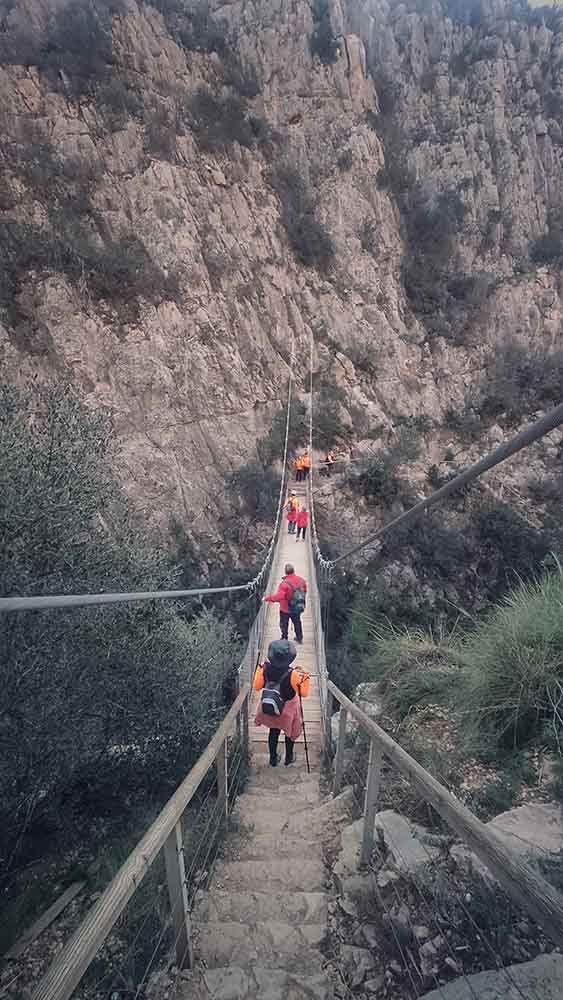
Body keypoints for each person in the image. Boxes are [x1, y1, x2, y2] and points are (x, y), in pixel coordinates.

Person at [253, 640, 310, 766]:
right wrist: (305, 676)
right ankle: (288, 759)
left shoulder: (265, 668)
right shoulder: (293, 674)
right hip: (287, 711)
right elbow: (304, 693)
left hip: (271, 707)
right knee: (289, 734)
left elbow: (257, 686)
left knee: (273, 732)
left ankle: (273, 759)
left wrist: (259, 669)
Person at [264, 562, 307, 643]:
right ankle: (299, 637)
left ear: (285, 572)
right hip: (297, 607)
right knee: (297, 622)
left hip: (285, 608)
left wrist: (267, 598)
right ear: (294, 571)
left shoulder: (284, 584)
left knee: (284, 624)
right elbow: (304, 592)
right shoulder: (302, 581)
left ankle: (284, 638)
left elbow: (279, 597)